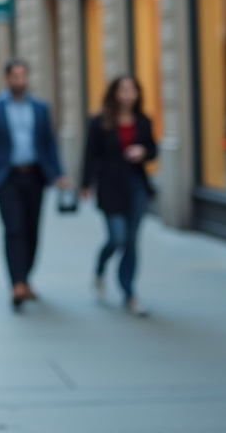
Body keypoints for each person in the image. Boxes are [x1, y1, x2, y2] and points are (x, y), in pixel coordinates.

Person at [0, 57, 70, 310]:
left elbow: (48, 142)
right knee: (13, 229)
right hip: (6, 177)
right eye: (15, 76)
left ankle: (25, 277)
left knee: (32, 231)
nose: (20, 81)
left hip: (35, 175)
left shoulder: (41, 107)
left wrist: (60, 173)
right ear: (7, 78)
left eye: (23, 76)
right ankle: (17, 285)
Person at [81, 75, 157, 317]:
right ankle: (100, 267)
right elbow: (90, 154)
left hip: (136, 185)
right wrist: (85, 184)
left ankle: (129, 292)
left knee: (132, 241)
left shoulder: (143, 121)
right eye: (124, 89)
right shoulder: (100, 121)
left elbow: (153, 150)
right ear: (115, 93)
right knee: (118, 237)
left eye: (133, 89)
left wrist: (143, 151)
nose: (128, 94)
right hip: (110, 185)